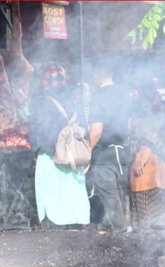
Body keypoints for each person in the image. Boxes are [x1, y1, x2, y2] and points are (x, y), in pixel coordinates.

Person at [29, 63, 90, 229]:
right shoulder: (74, 99)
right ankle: (80, 228)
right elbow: (84, 126)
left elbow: (38, 133)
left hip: (51, 158)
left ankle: (57, 234)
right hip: (72, 156)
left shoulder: (42, 103)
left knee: (53, 198)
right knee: (74, 195)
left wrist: (37, 147)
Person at [88, 59, 132, 232]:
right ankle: (120, 234)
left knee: (112, 202)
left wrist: (86, 151)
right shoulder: (124, 94)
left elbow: (97, 131)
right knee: (120, 199)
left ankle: (122, 246)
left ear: (97, 74)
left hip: (104, 157)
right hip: (122, 155)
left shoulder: (98, 96)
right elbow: (128, 125)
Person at [129, 82, 165, 232]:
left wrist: (139, 160)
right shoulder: (154, 112)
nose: (131, 94)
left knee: (146, 212)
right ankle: (159, 246)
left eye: (134, 91)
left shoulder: (144, 113)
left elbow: (148, 139)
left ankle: (148, 246)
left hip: (147, 165)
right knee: (159, 214)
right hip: (156, 165)